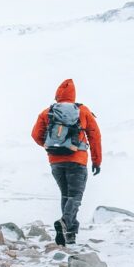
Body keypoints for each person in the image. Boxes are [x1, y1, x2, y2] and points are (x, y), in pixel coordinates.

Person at [31, 79, 102, 246]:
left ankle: (69, 234)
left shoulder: (47, 112)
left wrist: (51, 147)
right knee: (75, 196)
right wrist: (96, 161)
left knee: (66, 195)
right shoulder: (83, 111)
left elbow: (36, 135)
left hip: (55, 162)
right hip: (77, 160)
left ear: (58, 95)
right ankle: (64, 223)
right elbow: (95, 137)